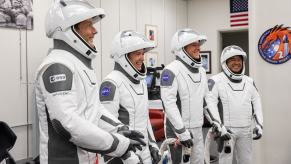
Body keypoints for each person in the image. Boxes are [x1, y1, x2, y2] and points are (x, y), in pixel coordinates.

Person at [35, 1, 144, 163]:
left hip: (89, 157)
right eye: (88, 25)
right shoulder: (57, 65)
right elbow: (67, 124)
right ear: (69, 30)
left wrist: (118, 129)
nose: (95, 30)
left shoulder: (78, 65)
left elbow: (94, 111)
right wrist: (118, 145)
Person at [99, 30, 161, 164]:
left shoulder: (142, 82)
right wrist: (129, 157)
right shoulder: (111, 83)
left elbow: (145, 120)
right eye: (138, 54)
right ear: (123, 57)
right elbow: (107, 129)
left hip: (144, 152)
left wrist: (153, 145)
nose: (142, 58)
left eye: (143, 53)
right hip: (122, 156)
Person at [205, 45, 264, 164]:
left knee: (246, 161)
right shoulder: (215, 80)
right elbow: (209, 104)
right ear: (225, 62)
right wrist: (218, 126)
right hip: (226, 131)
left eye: (239, 59)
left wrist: (259, 125)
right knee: (225, 161)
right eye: (232, 59)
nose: (236, 62)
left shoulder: (249, 81)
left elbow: (257, 102)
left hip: (246, 130)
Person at [160, 28, 208, 164]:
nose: (198, 47)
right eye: (194, 44)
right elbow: (168, 104)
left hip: (198, 129)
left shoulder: (202, 71)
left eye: (198, 44)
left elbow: (206, 101)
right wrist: (182, 132)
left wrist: (217, 123)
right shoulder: (170, 70)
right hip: (178, 131)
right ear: (181, 48)